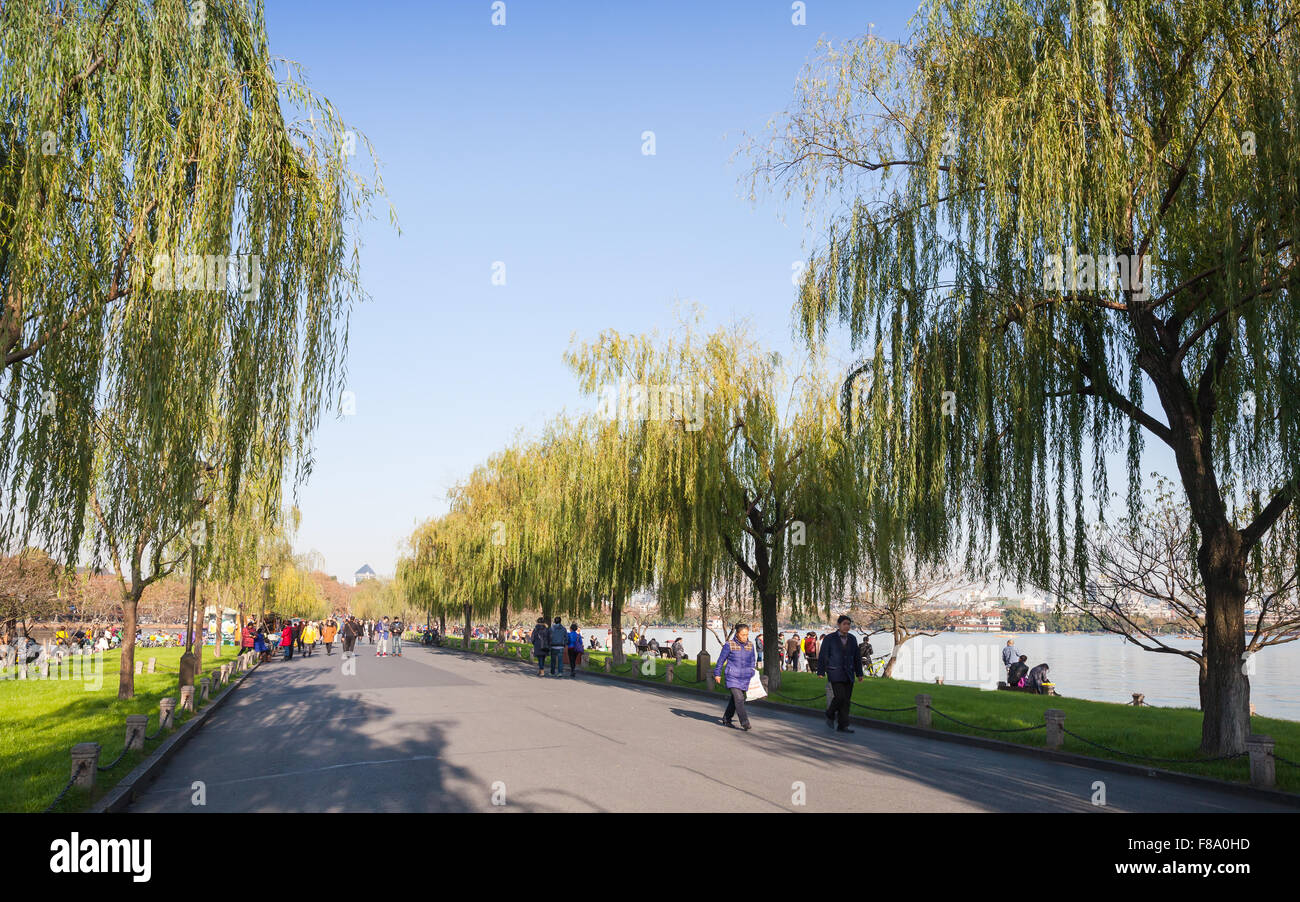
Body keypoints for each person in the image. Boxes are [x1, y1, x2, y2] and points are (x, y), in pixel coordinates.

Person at [818, 615, 864, 733]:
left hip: (849, 672)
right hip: (835, 672)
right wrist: (821, 671)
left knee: (846, 700)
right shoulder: (830, 638)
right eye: (844, 624)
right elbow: (823, 655)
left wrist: (859, 673)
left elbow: (857, 657)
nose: (847, 626)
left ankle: (843, 725)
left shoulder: (853, 639)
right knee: (840, 697)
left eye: (849, 624)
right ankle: (830, 713)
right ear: (838, 625)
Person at [713, 623, 757, 732]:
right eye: (742, 634)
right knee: (739, 698)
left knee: (735, 699)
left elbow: (752, 660)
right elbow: (720, 660)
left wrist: (752, 671)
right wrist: (717, 673)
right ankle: (745, 722)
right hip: (732, 676)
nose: (745, 637)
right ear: (737, 634)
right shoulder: (729, 645)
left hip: (745, 676)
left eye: (746, 634)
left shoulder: (750, 645)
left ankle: (727, 718)